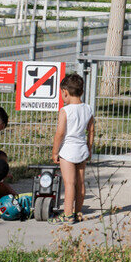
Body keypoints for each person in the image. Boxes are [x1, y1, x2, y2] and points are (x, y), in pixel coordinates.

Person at [51, 72, 95, 223]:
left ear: (65, 92)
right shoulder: (88, 109)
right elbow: (91, 130)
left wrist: (55, 151)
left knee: (69, 183)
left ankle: (68, 214)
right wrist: (89, 149)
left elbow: (60, 133)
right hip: (82, 149)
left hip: (68, 151)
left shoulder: (65, 111)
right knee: (80, 183)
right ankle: (78, 212)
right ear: (82, 91)